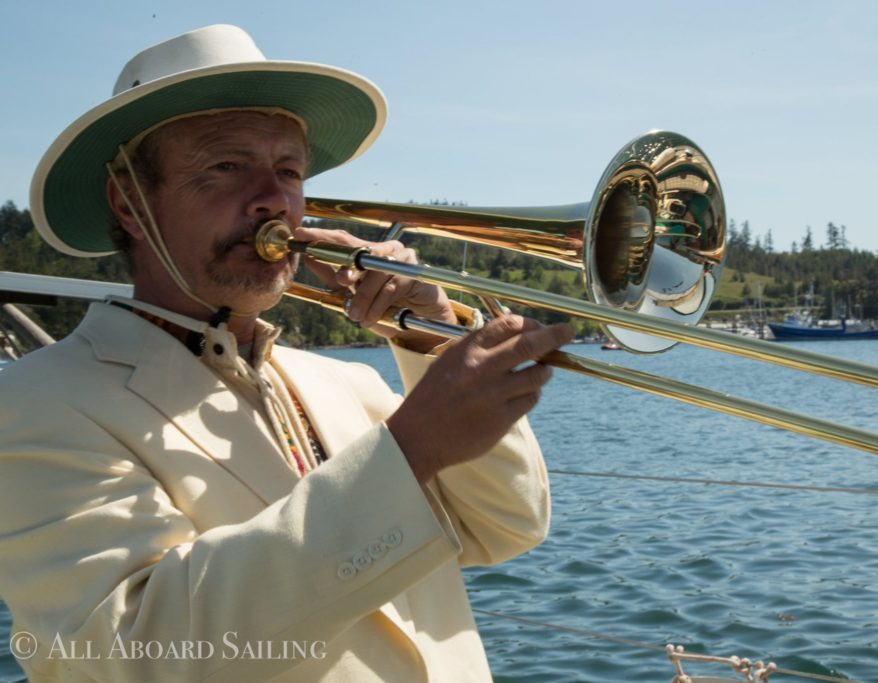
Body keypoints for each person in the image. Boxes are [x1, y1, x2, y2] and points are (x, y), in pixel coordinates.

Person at [0, 25, 572, 682]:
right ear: (129, 201)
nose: (276, 199)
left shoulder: (347, 382)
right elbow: (133, 652)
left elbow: (509, 524)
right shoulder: (33, 403)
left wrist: (429, 338)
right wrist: (409, 449)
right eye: (225, 165)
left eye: (290, 170)